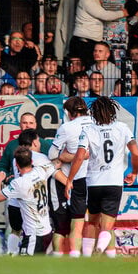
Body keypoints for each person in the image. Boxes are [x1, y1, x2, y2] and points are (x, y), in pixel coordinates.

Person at [65, 96, 138, 257]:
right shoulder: (123, 128)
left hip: (93, 183)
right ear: (112, 111)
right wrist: (134, 172)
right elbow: (135, 153)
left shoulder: (89, 130)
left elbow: (79, 157)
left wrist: (70, 179)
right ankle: (101, 247)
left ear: (94, 113)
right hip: (114, 183)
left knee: (91, 222)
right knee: (107, 226)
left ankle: (86, 256)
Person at [0, 113, 54, 254]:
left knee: (37, 230)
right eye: (24, 122)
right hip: (16, 198)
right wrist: (7, 178)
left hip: (35, 199)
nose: (27, 125)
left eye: (31, 123)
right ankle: (11, 254)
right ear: (19, 124)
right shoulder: (11, 145)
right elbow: (2, 167)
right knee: (16, 228)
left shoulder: (45, 145)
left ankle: (32, 253)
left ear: (36, 125)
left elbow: (53, 165)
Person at [0, 145, 62, 256]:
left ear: (16, 164)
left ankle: (11, 253)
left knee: (24, 270)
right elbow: (57, 164)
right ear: (32, 161)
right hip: (47, 231)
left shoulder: (20, 183)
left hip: (34, 235)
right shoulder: (41, 171)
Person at [49, 96, 94, 257]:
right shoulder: (99, 123)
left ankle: (75, 258)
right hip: (100, 178)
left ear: (68, 112)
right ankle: (93, 257)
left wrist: (69, 156)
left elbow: (52, 154)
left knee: (76, 221)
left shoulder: (67, 127)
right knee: (99, 222)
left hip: (78, 179)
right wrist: (84, 155)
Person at [70, 0, 127, 66]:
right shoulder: (87, 0)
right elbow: (104, 15)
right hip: (83, 44)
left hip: (89, 43)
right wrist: (123, 13)